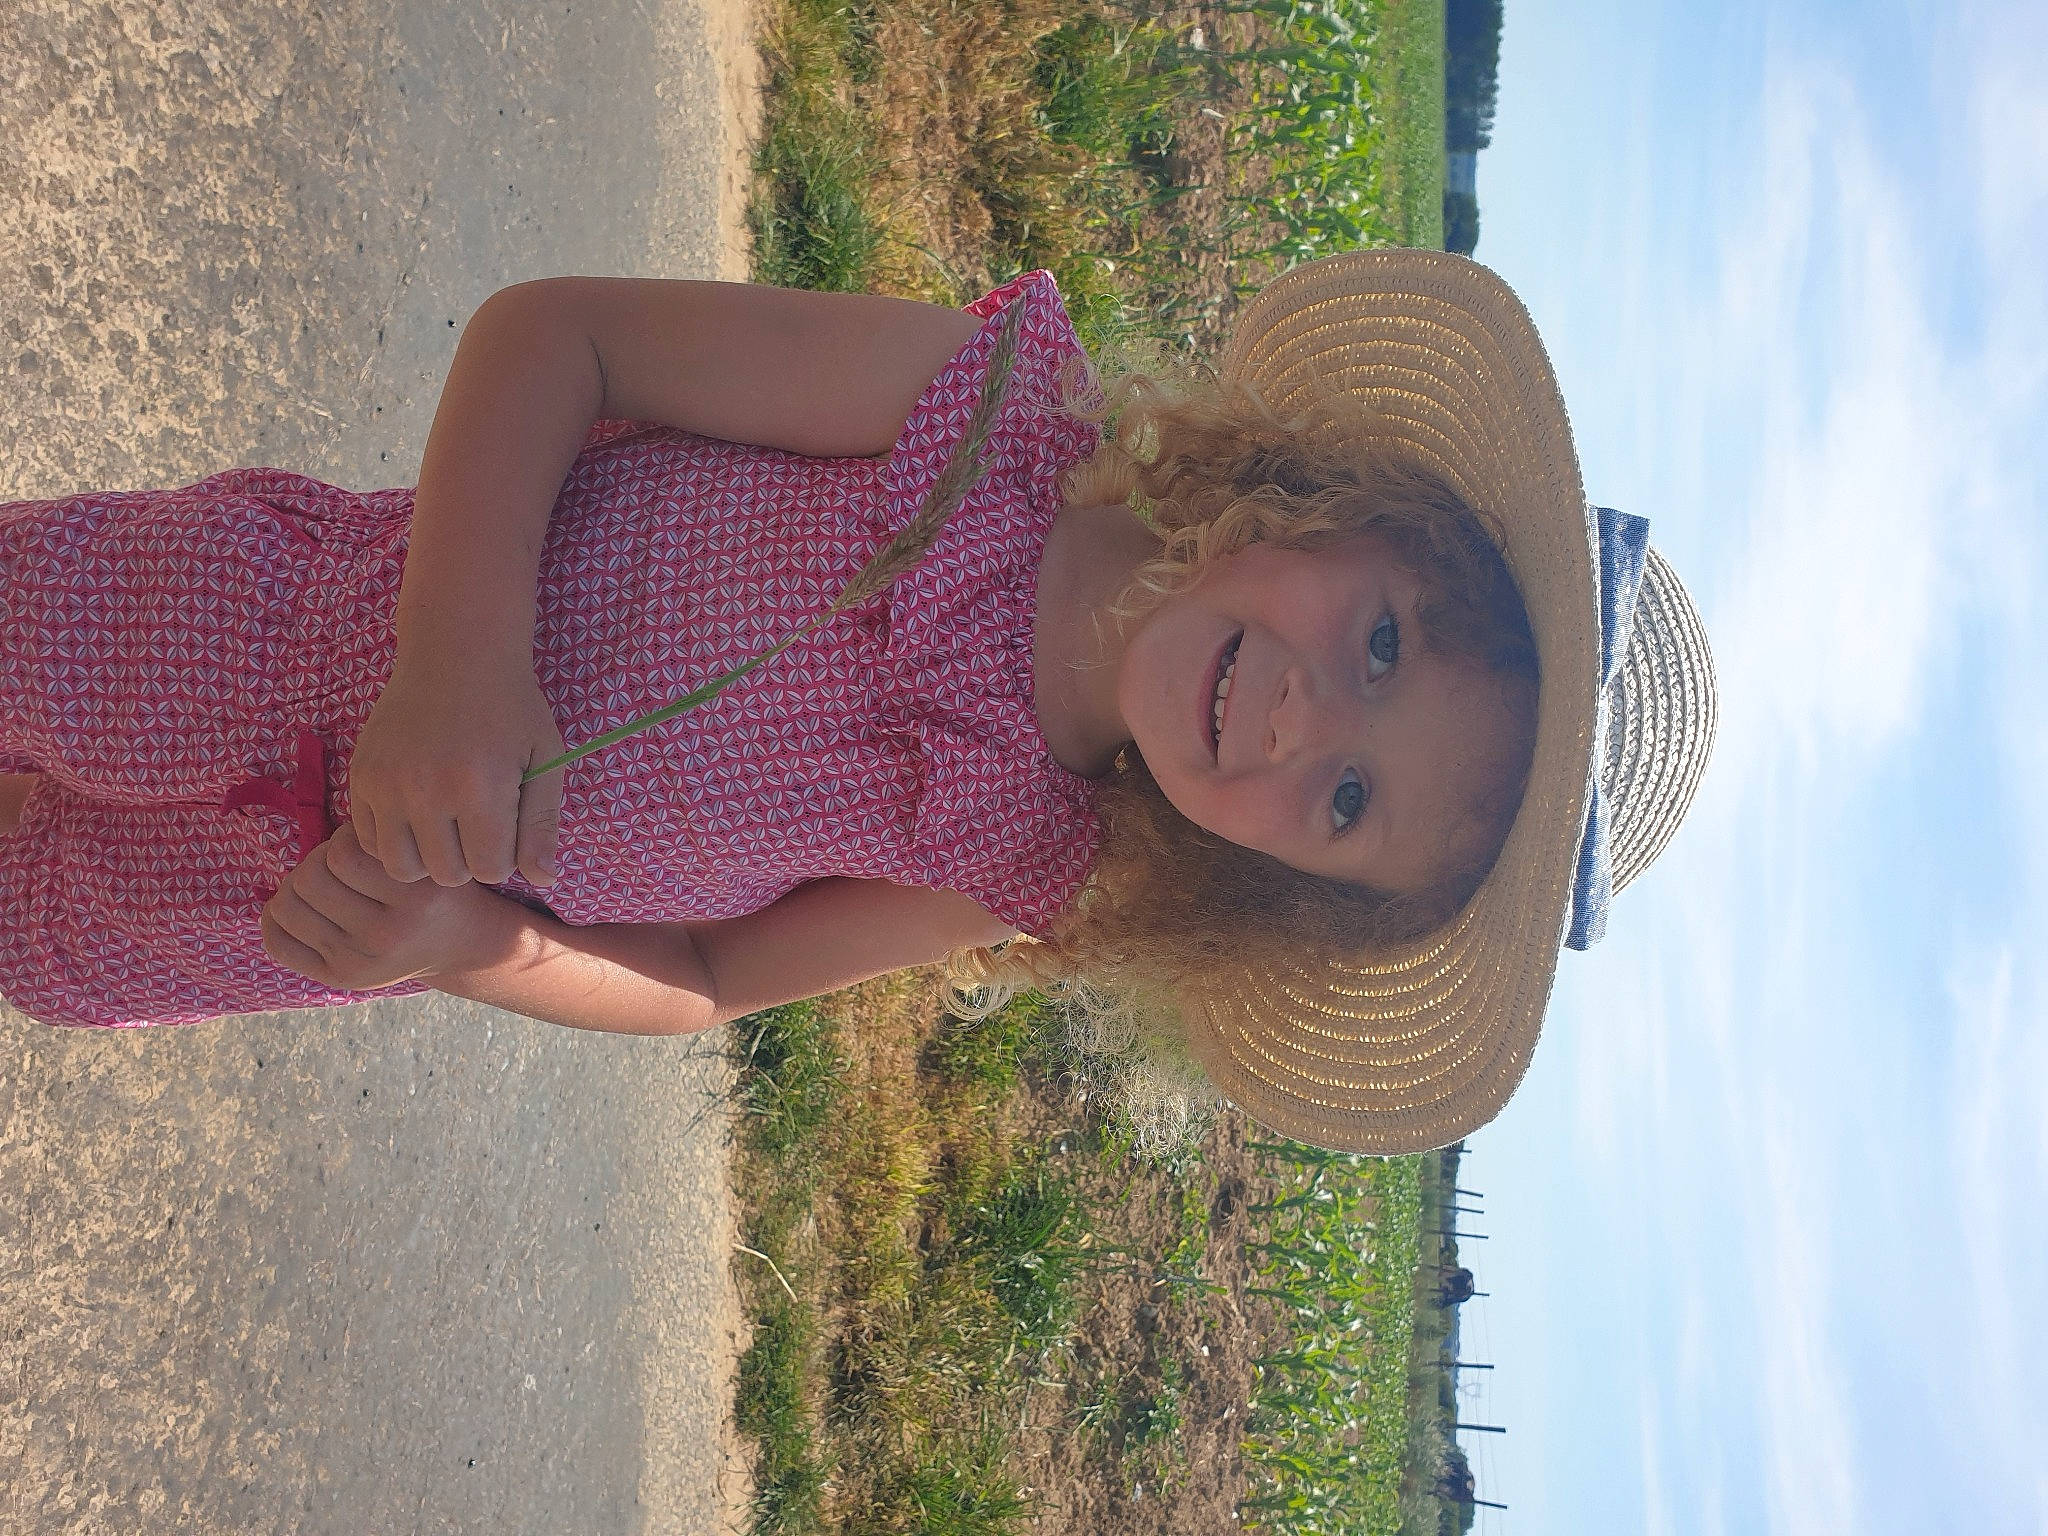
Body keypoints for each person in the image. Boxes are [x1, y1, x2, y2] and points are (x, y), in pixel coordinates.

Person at [0, 251, 1715, 1153]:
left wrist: (463, 938)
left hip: (295, 906)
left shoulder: (1007, 852)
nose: (1299, 728)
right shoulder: (976, 426)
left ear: (1280, 885)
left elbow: (710, 980)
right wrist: (460, 647)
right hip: (234, 620)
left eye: (1350, 806)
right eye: (1388, 645)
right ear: (1350, 501)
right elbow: (557, 338)